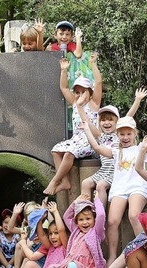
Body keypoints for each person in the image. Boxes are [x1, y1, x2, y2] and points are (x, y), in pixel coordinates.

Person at [81, 115, 147, 266]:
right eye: (122, 134)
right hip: (120, 188)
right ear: (117, 135)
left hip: (137, 186)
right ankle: (112, 255)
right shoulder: (116, 151)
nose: (125, 137)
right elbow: (97, 148)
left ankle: (144, 248)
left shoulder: (140, 149)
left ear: (135, 134)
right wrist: (87, 130)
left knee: (133, 215)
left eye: (129, 134)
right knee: (112, 221)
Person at [43, 53, 102, 195]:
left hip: (90, 140)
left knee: (70, 153)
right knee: (56, 150)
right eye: (77, 92)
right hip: (76, 139)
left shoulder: (94, 104)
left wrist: (93, 64)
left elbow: (98, 82)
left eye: (83, 92)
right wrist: (64, 70)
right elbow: (64, 88)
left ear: (89, 92)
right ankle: (64, 181)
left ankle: (54, 181)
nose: (79, 95)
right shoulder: (75, 104)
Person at [79, 87, 147, 207]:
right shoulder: (100, 135)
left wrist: (137, 100)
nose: (107, 123)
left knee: (101, 185)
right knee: (85, 183)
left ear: (117, 122)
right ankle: (85, 210)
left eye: (111, 120)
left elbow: (129, 115)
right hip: (104, 170)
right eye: (103, 120)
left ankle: (101, 214)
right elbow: (87, 122)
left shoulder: (119, 134)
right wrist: (79, 107)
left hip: (116, 171)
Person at [48, 192, 106, 267]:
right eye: (81, 220)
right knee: (51, 266)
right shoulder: (76, 231)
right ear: (77, 222)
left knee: (72, 265)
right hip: (70, 264)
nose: (85, 222)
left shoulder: (96, 232)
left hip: (86, 266)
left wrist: (96, 200)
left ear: (94, 219)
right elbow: (66, 216)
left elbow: (101, 215)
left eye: (88, 219)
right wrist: (75, 202)